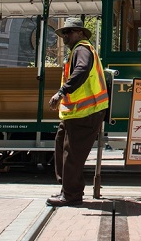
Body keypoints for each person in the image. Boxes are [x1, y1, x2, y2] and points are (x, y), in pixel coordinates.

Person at [47, 18, 109, 207]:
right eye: (64, 32)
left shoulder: (82, 49)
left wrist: (61, 92)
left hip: (86, 112)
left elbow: (81, 70)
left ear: (80, 33)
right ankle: (67, 189)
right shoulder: (77, 51)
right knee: (62, 148)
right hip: (75, 113)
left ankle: (72, 195)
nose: (65, 36)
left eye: (69, 32)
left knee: (72, 154)